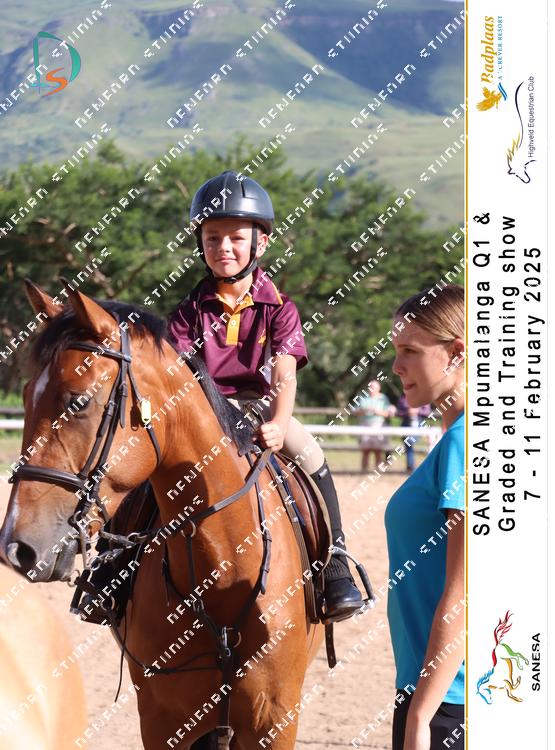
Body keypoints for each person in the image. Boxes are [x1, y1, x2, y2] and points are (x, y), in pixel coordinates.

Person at [166, 171, 363, 623]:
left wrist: (278, 423)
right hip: (203, 411)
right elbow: (176, 375)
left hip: (259, 406)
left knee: (311, 457)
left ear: (261, 243)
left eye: (236, 238)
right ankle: (113, 564)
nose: (223, 247)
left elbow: (284, 373)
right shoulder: (188, 311)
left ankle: (335, 563)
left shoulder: (281, 308)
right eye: (212, 238)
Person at [385, 284, 465, 750]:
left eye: (411, 351)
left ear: (456, 353)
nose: (397, 366)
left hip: (447, 701)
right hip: (438, 692)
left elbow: (464, 593)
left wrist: (421, 715)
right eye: (396, 350)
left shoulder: (462, 445)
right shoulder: (454, 440)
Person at [355, 380, 395, 472]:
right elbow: (356, 411)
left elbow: (387, 413)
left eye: (373, 388)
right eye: (370, 387)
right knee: (365, 450)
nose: (371, 389)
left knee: (378, 450)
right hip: (365, 425)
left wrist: (377, 412)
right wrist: (365, 410)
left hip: (379, 425)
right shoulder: (363, 397)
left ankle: (378, 471)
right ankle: (364, 470)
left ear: (378, 389)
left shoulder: (383, 398)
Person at [395, 395, 432, 473]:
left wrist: (417, 411)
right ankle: (410, 467)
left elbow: (427, 411)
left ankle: (416, 467)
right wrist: (407, 412)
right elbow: (398, 412)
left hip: (420, 424)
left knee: (410, 442)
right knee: (408, 444)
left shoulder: (423, 397)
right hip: (406, 424)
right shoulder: (402, 398)